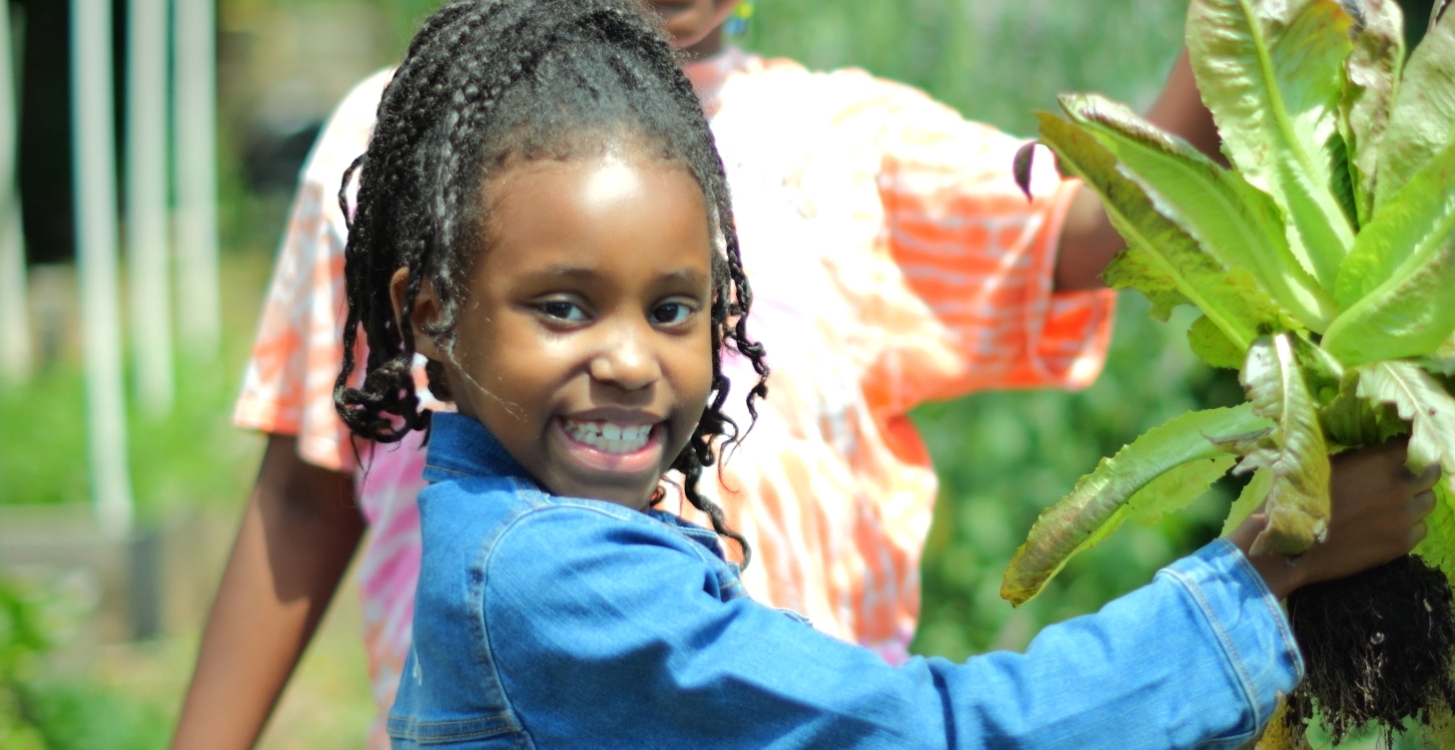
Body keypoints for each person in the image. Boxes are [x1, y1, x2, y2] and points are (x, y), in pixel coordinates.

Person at [336, 2, 1432, 747]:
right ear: (428, 317)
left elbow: (1085, 223)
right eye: (562, 306)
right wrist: (1257, 588)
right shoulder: (555, 581)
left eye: (674, 310)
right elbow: (925, 735)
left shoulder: (516, 525)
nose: (627, 359)